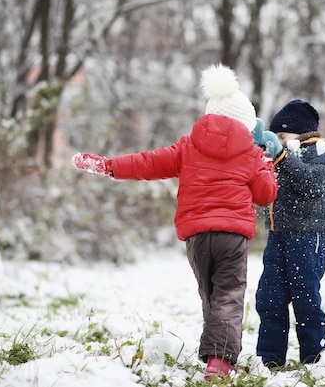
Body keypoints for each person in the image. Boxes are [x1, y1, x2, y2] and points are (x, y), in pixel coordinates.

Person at [71, 64, 278, 379]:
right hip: (232, 236)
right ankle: (219, 362)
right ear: (246, 123)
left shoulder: (189, 145)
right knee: (229, 294)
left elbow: (149, 162)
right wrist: (265, 165)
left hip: (197, 237)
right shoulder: (250, 153)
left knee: (211, 294)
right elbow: (265, 195)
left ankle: (215, 356)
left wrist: (109, 165)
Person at [253, 99, 325, 368]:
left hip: (307, 238)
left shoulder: (322, 152)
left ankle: (315, 358)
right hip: (277, 236)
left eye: (281, 135)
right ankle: (270, 358)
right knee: (270, 298)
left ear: (301, 131)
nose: (278, 142)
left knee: (306, 300)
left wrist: (282, 157)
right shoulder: (279, 156)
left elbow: (314, 183)